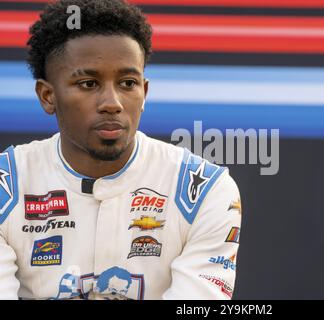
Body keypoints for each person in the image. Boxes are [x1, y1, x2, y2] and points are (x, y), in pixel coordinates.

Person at [0, 0, 242, 300]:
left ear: (144, 93)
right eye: (88, 84)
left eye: (128, 83)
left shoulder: (204, 189)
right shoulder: (7, 185)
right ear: (48, 96)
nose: (112, 103)